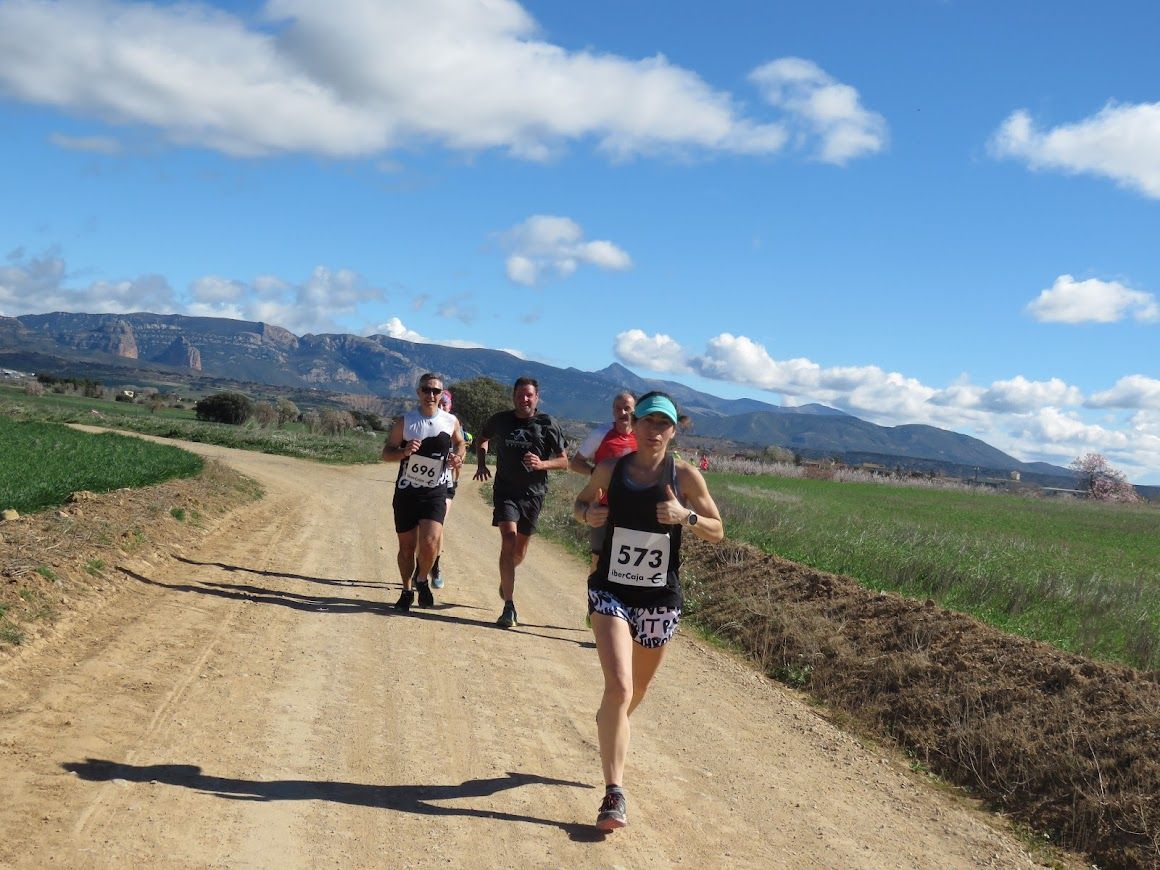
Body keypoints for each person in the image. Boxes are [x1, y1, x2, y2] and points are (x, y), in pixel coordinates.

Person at [572, 390, 723, 831]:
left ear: (674, 431)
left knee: (634, 692)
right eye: (648, 422)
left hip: (659, 598)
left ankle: (609, 724)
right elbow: (581, 503)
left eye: (664, 424)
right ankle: (613, 794)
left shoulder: (686, 478)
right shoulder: (610, 469)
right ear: (633, 425)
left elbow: (718, 530)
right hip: (610, 592)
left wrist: (685, 517)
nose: (655, 430)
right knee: (619, 687)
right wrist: (589, 517)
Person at [473, 377, 568, 628]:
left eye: (529, 395)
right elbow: (482, 438)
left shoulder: (548, 424)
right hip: (505, 491)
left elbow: (564, 461)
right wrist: (482, 463)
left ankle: (506, 578)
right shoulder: (501, 420)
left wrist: (542, 464)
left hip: (534, 494)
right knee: (508, 540)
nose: (524, 399)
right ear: (513, 395)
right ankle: (509, 606)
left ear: (537, 398)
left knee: (519, 551)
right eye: (520, 394)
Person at [381, 373, 466, 611]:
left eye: (436, 391)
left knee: (429, 543)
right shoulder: (405, 422)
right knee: (407, 548)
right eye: (427, 390)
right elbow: (386, 452)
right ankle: (407, 590)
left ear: (442, 394)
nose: (431, 395)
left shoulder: (450, 421)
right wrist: (404, 451)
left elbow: (460, 443)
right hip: (407, 493)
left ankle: (422, 579)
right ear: (418, 393)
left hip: (435, 492)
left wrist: (457, 458)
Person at [569, 391, 637, 572]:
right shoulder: (601, 434)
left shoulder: (642, 437)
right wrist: (595, 473)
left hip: (634, 511)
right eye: (618, 408)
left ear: (635, 411)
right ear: (613, 411)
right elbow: (575, 463)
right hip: (603, 509)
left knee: (628, 567)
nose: (623, 413)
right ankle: (594, 598)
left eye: (627, 408)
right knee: (598, 561)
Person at [430, 388, 469, 590]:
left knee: (438, 525)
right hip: (423, 482)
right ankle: (420, 565)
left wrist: (458, 459)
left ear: (451, 406)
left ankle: (435, 566)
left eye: (446, 404)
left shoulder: (454, 424)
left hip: (446, 483)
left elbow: (461, 449)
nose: (443, 406)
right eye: (440, 403)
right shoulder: (428, 422)